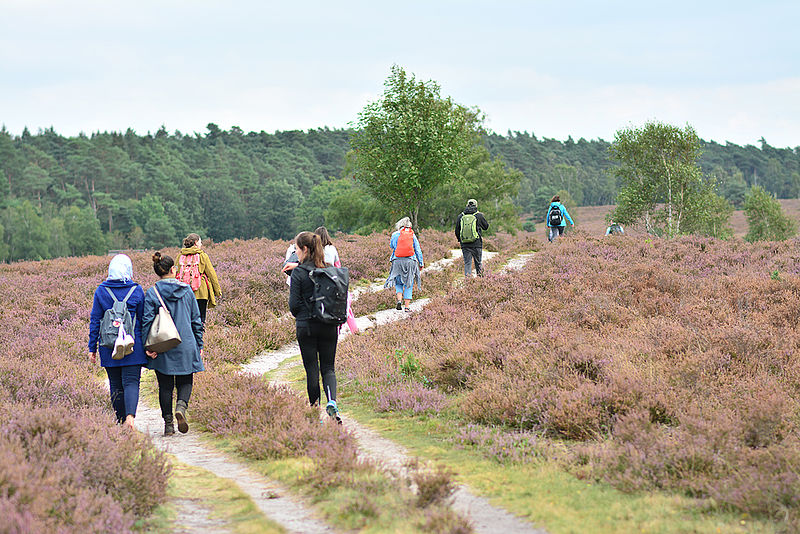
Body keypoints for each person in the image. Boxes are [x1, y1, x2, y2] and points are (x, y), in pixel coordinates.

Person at [143, 252, 205, 436]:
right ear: (173, 269)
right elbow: (196, 320)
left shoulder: (152, 292)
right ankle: (181, 407)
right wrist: (199, 344)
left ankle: (168, 424)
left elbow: (146, 321)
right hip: (186, 343)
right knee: (186, 380)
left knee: (165, 385)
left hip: (163, 346)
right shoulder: (186, 290)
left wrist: (148, 347)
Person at [88, 254, 147, 429]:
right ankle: (130, 418)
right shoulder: (137, 290)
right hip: (132, 344)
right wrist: (146, 345)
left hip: (108, 345)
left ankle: (120, 421)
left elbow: (95, 320)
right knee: (131, 382)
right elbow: (144, 320)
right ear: (128, 270)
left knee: (115, 384)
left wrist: (92, 347)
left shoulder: (101, 291)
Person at [289, 231, 342, 423]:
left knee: (312, 368)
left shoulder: (298, 273)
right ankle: (333, 402)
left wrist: (303, 314)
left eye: (296, 249)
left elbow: (293, 306)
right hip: (329, 325)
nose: (296, 253)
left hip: (306, 327)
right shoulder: (329, 270)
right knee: (328, 368)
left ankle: (315, 412)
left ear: (304, 249)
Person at [177, 233, 221, 324]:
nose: (201, 245)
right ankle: (199, 337)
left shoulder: (180, 256)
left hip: (184, 293)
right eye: (200, 242)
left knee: (187, 321)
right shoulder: (202, 255)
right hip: (201, 293)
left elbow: (175, 273)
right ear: (196, 243)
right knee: (200, 321)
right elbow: (212, 274)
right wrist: (218, 291)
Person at [385, 217, 424, 312]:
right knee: (408, 283)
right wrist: (421, 263)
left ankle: (399, 300)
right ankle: (407, 307)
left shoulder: (395, 234)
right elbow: (417, 250)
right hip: (410, 261)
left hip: (397, 260)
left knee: (398, 281)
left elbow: (392, 246)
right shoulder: (412, 235)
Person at [455, 198, 490, 277]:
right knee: (478, 263)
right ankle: (480, 282)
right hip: (477, 243)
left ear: (467, 205)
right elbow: (486, 227)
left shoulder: (460, 216)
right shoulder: (479, 215)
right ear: (476, 205)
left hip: (465, 244)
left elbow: (457, 230)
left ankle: (468, 283)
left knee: (467, 263)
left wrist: (460, 240)